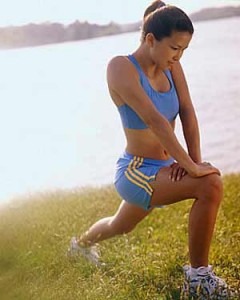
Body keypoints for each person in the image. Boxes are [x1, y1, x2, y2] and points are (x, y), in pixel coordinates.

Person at [68, 1, 230, 298]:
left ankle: (79, 245)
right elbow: (154, 120)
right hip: (137, 171)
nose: (178, 56)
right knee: (210, 185)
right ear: (151, 39)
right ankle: (198, 280)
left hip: (165, 169)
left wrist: (193, 160)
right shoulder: (120, 67)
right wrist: (194, 169)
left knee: (120, 225)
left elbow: (187, 111)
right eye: (174, 48)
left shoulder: (172, 66)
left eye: (184, 50)